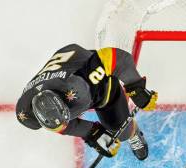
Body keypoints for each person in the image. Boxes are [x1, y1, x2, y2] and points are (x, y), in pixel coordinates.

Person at [16, 43, 158, 160]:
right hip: (71, 64)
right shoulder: (25, 115)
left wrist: (136, 88)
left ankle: (133, 133)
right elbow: (60, 124)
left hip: (87, 76)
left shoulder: (78, 88)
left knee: (121, 132)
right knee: (62, 121)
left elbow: (116, 58)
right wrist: (92, 133)